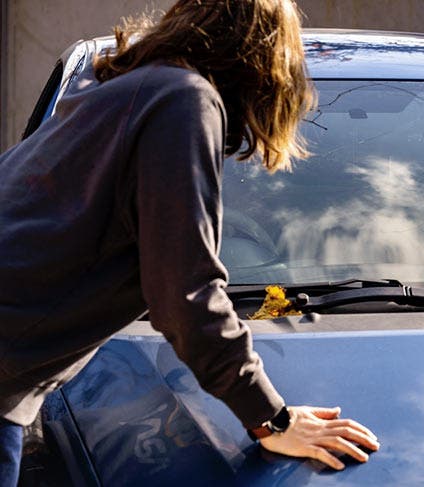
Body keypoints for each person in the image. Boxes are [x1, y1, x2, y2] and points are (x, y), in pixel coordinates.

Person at [0, 0, 378, 484]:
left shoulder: (124, 88)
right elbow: (186, 294)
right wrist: (272, 418)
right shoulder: (183, 99)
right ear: (263, 57)